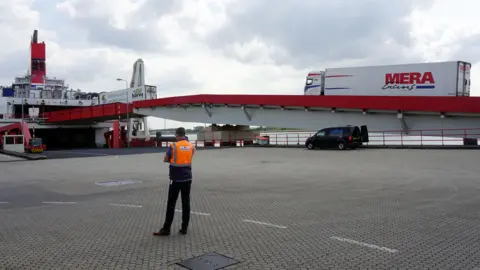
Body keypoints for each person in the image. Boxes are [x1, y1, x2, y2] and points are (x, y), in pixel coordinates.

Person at [153, 127, 195, 236]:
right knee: (186, 203)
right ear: (184, 134)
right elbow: (189, 158)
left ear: (176, 135)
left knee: (171, 204)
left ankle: (166, 229)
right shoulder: (191, 146)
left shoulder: (174, 146)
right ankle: (184, 228)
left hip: (176, 179)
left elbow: (166, 159)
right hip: (188, 178)